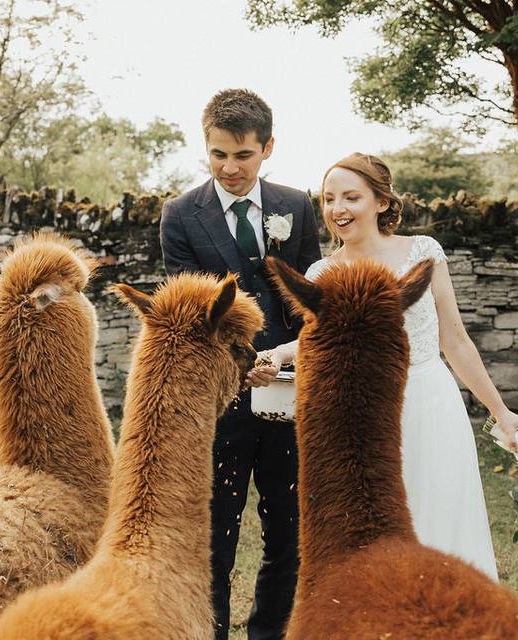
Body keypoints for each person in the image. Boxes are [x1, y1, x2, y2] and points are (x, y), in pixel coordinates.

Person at [261, 153, 518, 581]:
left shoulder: (423, 252)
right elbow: (322, 336)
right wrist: (279, 353)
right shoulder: (323, 271)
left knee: (440, 522)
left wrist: (501, 411)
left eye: (351, 197)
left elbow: (454, 339)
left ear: (382, 202)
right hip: (362, 416)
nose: (337, 210)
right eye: (329, 199)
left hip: (429, 404)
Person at [159, 89, 321, 639]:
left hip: (288, 395)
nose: (230, 167)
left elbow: (308, 298)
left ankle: (270, 633)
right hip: (219, 402)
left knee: (289, 533)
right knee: (215, 536)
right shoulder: (180, 216)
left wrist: (290, 361)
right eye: (218, 154)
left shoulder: (296, 206)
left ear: (267, 147)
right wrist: (240, 364)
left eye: (243, 156)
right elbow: (189, 315)